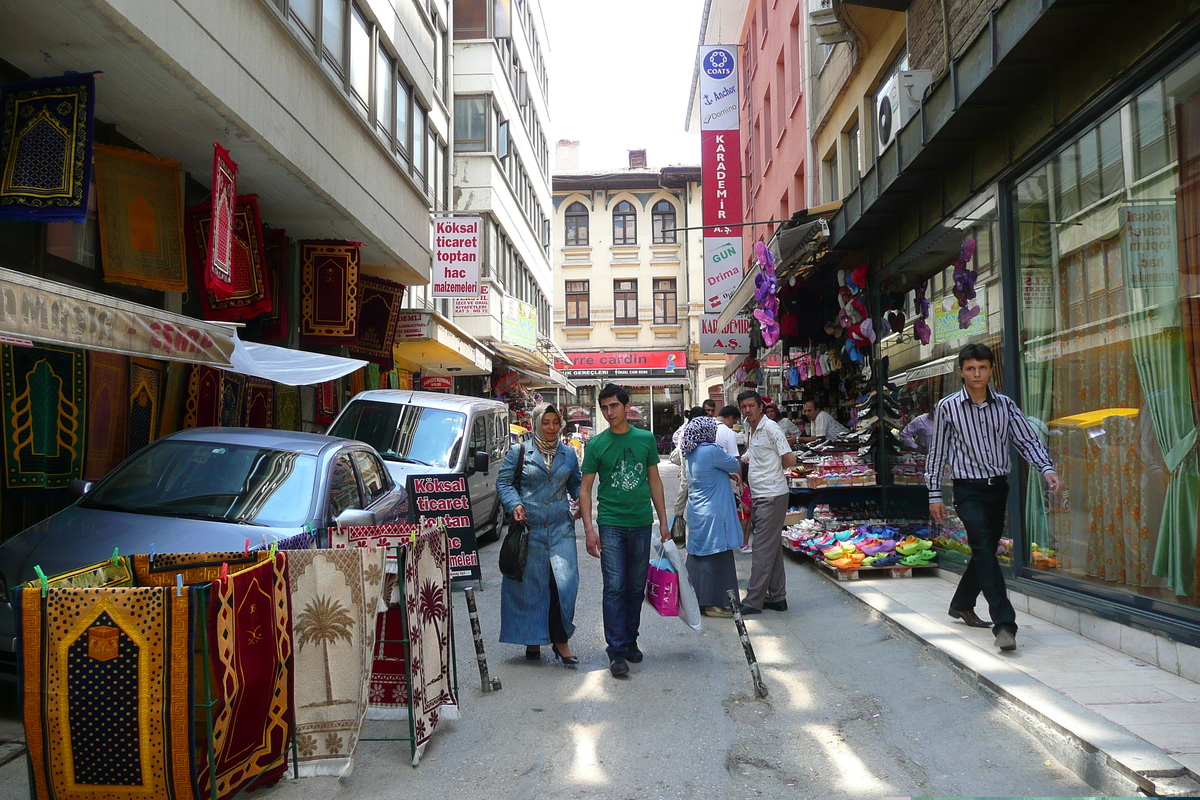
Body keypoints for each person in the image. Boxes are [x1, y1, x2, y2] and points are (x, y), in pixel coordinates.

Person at [927, 343, 1061, 652]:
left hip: (997, 487)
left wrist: (1046, 469)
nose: (977, 374)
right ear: (961, 371)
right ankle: (1004, 624)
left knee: (984, 548)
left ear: (991, 370)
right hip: (967, 489)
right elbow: (937, 454)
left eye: (983, 367)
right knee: (985, 550)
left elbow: (1026, 439)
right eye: (971, 368)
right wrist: (935, 494)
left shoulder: (1005, 405)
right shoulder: (948, 407)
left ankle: (961, 603)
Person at [580, 384, 670, 678]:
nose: (609, 413)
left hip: (642, 522)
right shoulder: (596, 445)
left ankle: (630, 640)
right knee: (615, 587)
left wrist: (664, 521)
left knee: (634, 587)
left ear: (626, 406)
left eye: (614, 406)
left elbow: (654, 482)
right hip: (611, 524)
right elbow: (585, 490)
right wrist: (589, 530)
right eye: (604, 407)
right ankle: (616, 650)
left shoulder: (645, 440)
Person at [496, 403, 583, 665]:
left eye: (556, 422)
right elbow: (504, 482)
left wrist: (581, 500)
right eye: (546, 422)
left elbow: (575, 482)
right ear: (536, 424)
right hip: (529, 529)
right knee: (530, 586)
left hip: (560, 528)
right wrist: (515, 504)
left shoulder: (568, 454)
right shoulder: (519, 451)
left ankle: (561, 642)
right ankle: (532, 639)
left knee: (564, 584)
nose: (551, 428)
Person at [737, 390, 797, 614]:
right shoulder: (750, 429)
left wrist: (772, 474)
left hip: (772, 495)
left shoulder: (771, 427)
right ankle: (777, 597)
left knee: (761, 548)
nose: (748, 410)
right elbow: (752, 455)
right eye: (744, 407)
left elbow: (790, 459)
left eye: (751, 405)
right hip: (760, 494)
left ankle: (753, 600)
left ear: (761, 407)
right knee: (772, 548)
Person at [681, 417, 741, 617]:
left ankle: (696, 599)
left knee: (699, 555)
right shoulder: (711, 450)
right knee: (718, 557)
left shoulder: (690, 452)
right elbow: (733, 464)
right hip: (715, 513)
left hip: (698, 511)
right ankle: (716, 603)